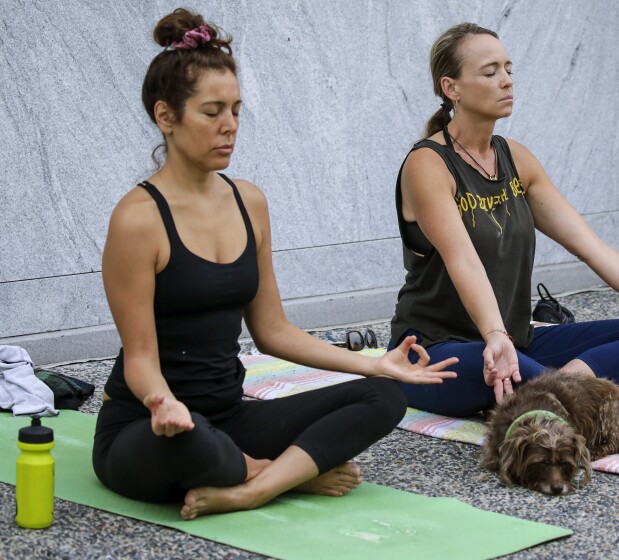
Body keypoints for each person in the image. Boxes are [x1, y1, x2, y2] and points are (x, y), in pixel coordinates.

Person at [92, 9, 457, 521]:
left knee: (383, 398)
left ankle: (253, 487)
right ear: (166, 117)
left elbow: (273, 331)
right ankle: (288, 473)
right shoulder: (137, 220)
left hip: (230, 414)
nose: (230, 126)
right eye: (212, 111)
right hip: (149, 427)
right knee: (193, 445)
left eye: (237, 110)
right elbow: (140, 357)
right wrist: (160, 402)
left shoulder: (250, 202)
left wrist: (376, 363)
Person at [388, 23, 619, 419]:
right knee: (490, 362)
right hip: (437, 352)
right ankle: (606, 404)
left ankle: (557, 395)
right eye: (490, 72)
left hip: (515, 344)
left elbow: (592, 247)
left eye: (508, 69)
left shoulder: (517, 159)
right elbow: (462, 258)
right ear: (452, 88)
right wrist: (495, 336)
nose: (506, 81)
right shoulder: (428, 164)